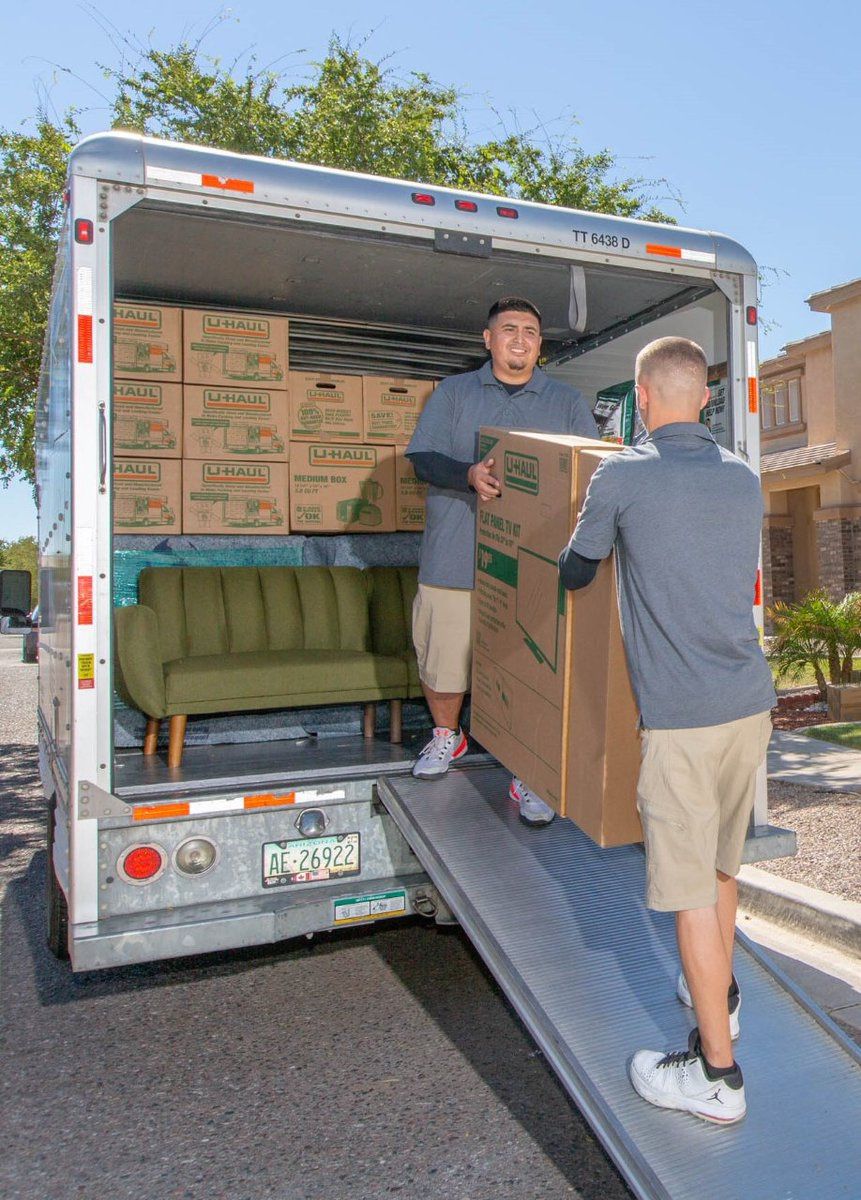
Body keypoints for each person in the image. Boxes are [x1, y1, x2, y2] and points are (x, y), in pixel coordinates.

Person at [558, 336, 775, 1125]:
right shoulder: (743, 476)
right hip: (748, 703)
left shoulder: (621, 475)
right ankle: (721, 992)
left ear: (641, 398)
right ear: (706, 398)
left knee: (685, 892)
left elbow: (576, 568)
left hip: (681, 719)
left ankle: (716, 1077)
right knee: (720, 864)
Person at [406, 297, 598, 823]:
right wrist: (468, 475)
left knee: (529, 671)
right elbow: (421, 460)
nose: (520, 339)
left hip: (532, 564)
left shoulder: (565, 401)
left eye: (530, 331)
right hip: (454, 555)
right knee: (443, 654)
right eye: (509, 329)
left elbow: (594, 469)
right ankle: (447, 735)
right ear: (487, 339)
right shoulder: (454, 393)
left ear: (540, 344)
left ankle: (529, 769)